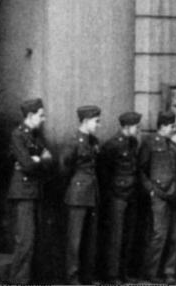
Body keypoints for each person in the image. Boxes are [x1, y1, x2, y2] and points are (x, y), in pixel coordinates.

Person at [7, 98, 54, 285]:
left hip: (35, 191)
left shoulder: (35, 136)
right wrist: (36, 160)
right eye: (41, 115)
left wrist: (37, 160)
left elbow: (50, 159)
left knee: (36, 240)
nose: (43, 119)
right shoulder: (18, 135)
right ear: (30, 116)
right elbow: (26, 164)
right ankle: (18, 281)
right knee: (25, 241)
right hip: (23, 193)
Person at [140, 111, 176, 285]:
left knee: (174, 235)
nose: (173, 129)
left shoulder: (173, 145)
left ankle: (169, 272)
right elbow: (141, 170)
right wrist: (150, 190)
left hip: (174, 194)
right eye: (171, 126)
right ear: (163, 126)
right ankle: (151, 272)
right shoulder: (149, 144)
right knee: (159, 234)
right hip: (158, 195)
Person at [99, 110, 143, 283]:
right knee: (115, 237)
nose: (139, 129)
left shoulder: (132, 143)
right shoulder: (112, 145)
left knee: (127, 235)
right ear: (127, 126)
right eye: (136, 126)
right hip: (117, 196)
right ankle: (112, 275)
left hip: (130, 195)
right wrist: (113, 193)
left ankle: (123, 273)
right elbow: (104, 172)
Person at [62, 105, 102, 285]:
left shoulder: (93, 141)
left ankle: (87, 276)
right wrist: (75, 185)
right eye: (96, 121)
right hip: (78, 195)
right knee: (75, 240)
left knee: (91, 240)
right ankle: (73, 278)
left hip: (92, 194)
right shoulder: (73, 141)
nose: (98, 124)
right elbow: (64, 167)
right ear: (86, 121)